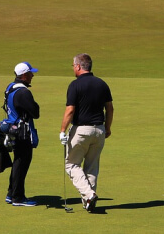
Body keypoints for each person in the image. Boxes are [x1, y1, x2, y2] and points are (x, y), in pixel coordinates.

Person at [60, 53, 114, 213]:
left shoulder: (75, 85)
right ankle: (88, 202)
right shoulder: (102, 84)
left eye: (73, 66)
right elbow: (109, 108)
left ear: (78, 66)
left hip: (81, 130)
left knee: (71, 164)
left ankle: (89, 195)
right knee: (91, 167)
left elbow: (70, 110)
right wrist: (108, 128)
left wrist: (62, 130)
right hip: (99, 130)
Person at [3, 62, 41, 207]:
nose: (33, 75)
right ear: (24, 75)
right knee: (22, 163)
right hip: (21, 132)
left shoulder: (10, 87)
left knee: (18, 162)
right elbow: (35, 112)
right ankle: (18, 197)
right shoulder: (24, 92)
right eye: (31, 73)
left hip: (12, 128)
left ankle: (11, 193)